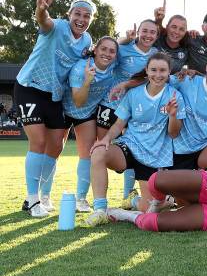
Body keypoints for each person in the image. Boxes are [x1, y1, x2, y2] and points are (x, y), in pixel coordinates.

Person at [14, 0, 95, 217]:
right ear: (68, 15)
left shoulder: (87, 40)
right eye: (77, 14)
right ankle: (32, 200)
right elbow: (44, 22)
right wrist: (41, 10)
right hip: (30, 87)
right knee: (38, 142)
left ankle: (44, 196)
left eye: (86, 16)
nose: (81, 19)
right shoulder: (57, 26)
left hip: (54, 95)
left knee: (56, 147)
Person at [87, 53, 185, 226]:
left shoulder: (175, 96)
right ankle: (100, 210)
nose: (158, 74)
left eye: (162, 70)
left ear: (169, 72)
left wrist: (173, 115)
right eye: (153, 69)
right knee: (99, 153)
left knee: (148, 210)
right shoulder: (134, 94)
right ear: (146, 71)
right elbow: (119, 124)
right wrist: (106, 139)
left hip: (155, 156)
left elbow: (173, 133)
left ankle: (133, 201)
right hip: (130, 146)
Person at [97, 20, 159, 205]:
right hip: (110, 105)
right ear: (138, 31)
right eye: (145, 31)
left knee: (134, 150)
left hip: (134, 109)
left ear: (157, 36)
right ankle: (84, 198)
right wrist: (124, 39)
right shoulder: (123, 49)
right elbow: (108, 49)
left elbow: (148, 78)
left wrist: (126, 84)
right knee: (98, 147)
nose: (148, 35)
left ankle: (128, 196)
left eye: (153, 32)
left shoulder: (155, 54)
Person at [62, 37, 119, 212]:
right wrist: (88, 80)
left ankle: (81, 199)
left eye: (112, 51)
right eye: (104, 49)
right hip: (65, 108)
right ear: (95, 50)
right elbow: (78, 101)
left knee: (87, 154)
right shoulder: (81, 68)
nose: (107, 54)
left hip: (86, 114)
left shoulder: (113, 69)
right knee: (54, 150)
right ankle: (43, 197)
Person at [151, 0, 189, 71]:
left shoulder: (187, 49)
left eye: (181, 29)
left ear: (185, 32)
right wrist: (158, 20)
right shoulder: (156, 40)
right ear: (167, 27)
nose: (177, 32)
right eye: (174, 27)